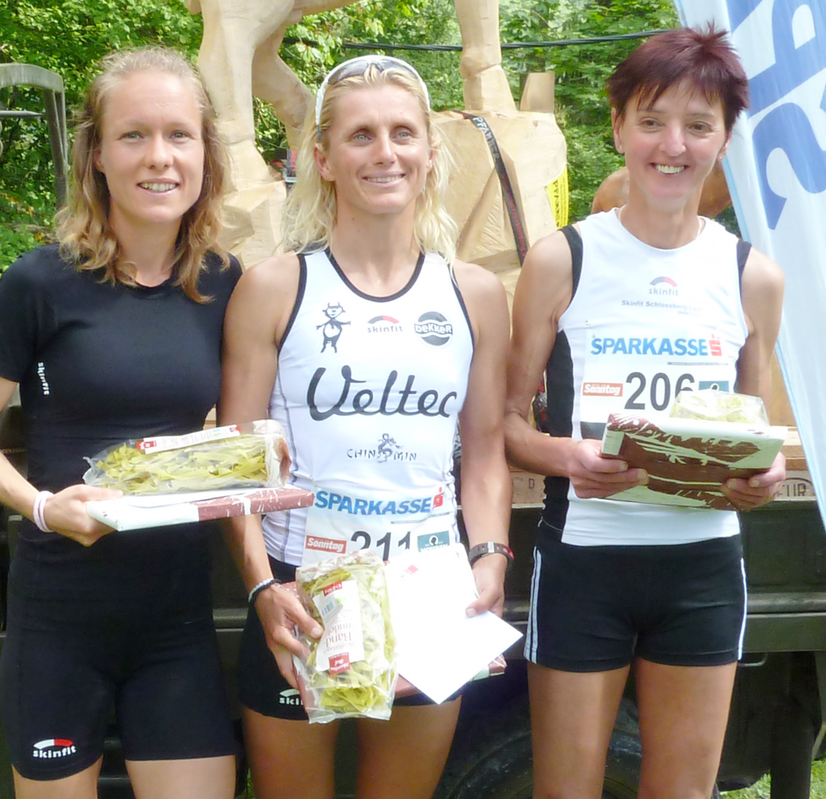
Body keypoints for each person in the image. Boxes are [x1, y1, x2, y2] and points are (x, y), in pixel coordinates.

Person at [0, 47, 241, 799]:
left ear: (205, 152)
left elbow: (243, 428)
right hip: (60, 621)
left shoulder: (223, 282)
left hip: (176, 620)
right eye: (133, 135)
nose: (159, 156)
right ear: (97, 154)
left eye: (179, 134)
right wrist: (42, 506)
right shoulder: (40, 282)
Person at [218, 55, 512, 799]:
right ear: (322, 157)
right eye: (361, 136)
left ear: (430, 152)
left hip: (428, 587)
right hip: (302, 589)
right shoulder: (275, 288)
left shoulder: (474, 294)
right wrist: (262, 588)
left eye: (403, 133)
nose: (385, 152)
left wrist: (490, 558)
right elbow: (237, 465)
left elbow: (484, 453)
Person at [504, 27, 786, 799]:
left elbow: (750, 429)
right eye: (653, 121)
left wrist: (763, 475)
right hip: (584, 563)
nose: (674, 145)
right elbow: (506, 425)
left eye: (698, 125)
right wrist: (568, 457)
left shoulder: (753, 276)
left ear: (724, 138)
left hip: (703, 569)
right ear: (619, 126)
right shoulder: (562, 259)